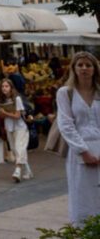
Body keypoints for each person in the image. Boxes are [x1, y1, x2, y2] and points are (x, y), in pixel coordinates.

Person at [57, 51, 100, 226]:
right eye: (80, 65)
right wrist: (83, 151)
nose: (84, 68)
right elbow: (66, 125)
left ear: (94, 69)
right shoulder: (66, 93)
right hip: (79, 152)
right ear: (73, 68)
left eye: (88, 65)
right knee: (82, 193)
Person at [0, 77, 32, 182]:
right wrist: (0, 113)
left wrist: (5, 112)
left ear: (11, 88)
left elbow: (17, 115)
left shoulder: (17, 99)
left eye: (6, 86)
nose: (4, 88)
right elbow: (2, 116)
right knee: (16, 150)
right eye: (2, 86)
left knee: (19, 147)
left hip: (20, 127)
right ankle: (28, 171)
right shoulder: (0, 100)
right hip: (9, 127)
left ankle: (18, 170)